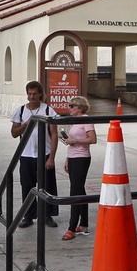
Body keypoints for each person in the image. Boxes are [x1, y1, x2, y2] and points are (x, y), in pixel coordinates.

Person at [10, 81, 59, 229]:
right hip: (26, 155)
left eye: (34, 94)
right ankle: (29, 215)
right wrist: (25, 124)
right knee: (27, 186)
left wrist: (51, 157)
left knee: (48, 186)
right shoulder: (20, 111)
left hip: (44, 154)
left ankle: (48, 215)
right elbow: (14, 133)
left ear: (40, 94)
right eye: (29, 94)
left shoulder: (49, 110)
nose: (32, 96)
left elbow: (54, 134)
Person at [60, 96, 97, 241]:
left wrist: (75, 140)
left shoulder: (86, 120)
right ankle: (84, 224)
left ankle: (71, 227)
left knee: (75, 192)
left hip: (82, 158)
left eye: (71, 106)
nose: (69, 108)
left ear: (79, 108)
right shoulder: (75, 122)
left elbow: (92, 139)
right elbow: (71, 141)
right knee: (79, 190)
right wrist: (68, 158)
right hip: (73, 157)